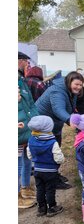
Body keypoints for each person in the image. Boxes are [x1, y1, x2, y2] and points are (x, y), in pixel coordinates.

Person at [35, 71, 84, 189]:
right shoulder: (57, 91)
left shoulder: (70, 91)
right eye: (76, 84)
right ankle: (52, 181)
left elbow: (71, 106)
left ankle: (55, 175)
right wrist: (69, 120)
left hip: (54, 125)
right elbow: (58, 109)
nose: (79, 87)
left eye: (81, 85)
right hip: (43, 126)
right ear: (69, 82)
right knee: (50, 154)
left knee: (56, 149)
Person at [26, 116, 65, 217]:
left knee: (40, 189)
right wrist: (61, 161)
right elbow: (58, 158)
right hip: (50, 171)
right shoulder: (52, 142)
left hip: (37, 170)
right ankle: (51, 207)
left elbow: (29, 155)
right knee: (50, 189)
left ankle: (41, 208)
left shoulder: (31, 140)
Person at [18, 51, 39, 208]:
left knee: (26, 160)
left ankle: (24, 188)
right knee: (17, 164)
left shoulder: (22, 81)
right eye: (26, 62)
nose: (28, 65)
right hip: (17, 131)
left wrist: (36, 120)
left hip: (27, 130)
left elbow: (31, 105)